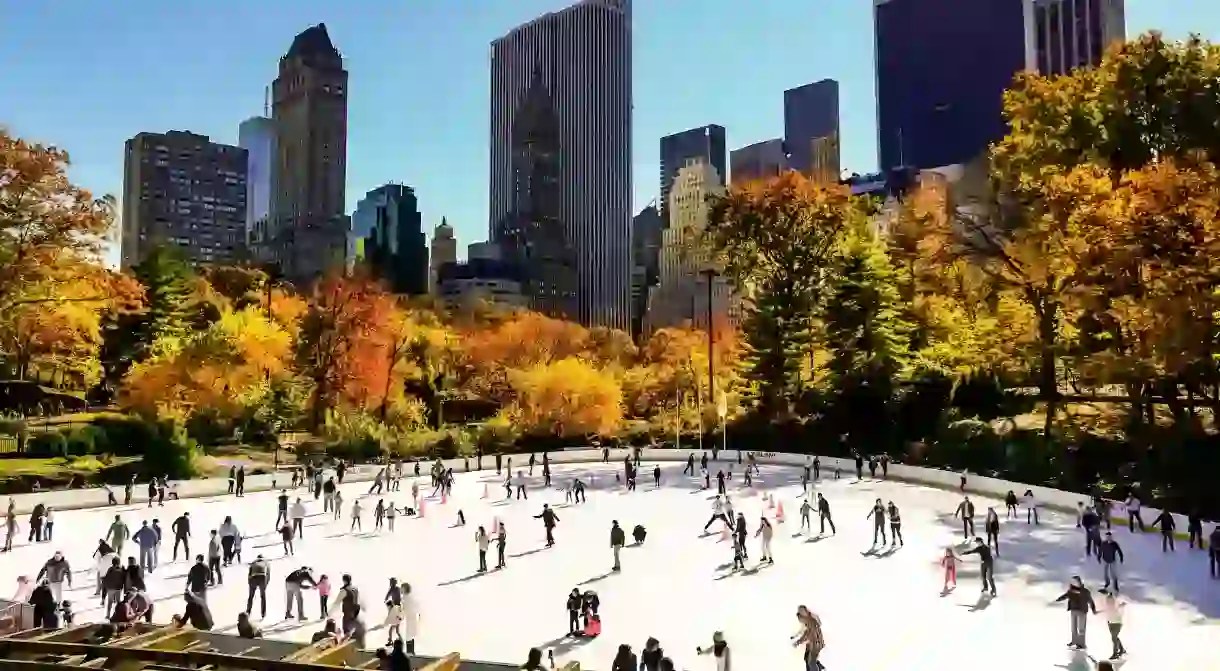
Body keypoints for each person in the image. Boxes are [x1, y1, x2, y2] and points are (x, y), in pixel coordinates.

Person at [1054, 576, 1098, 650]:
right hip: (1073, 610)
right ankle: (1074, 641)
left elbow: (1090, 601)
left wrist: (1094, 610)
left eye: (1075, 582)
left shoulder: (1085, 591)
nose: (1074, 583)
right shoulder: (1071, 591)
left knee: (1081, 628)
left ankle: (1082, 644)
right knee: (1073, 627)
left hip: (1082, 611)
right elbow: (1065, 596)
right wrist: (1058, 599)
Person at [793, 605, 825, 671]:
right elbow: (806, 632)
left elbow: (808, 634)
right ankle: (819, 667)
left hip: (816, 644)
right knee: (807, 658)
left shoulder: (811, 622)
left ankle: (818, 668)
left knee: (811, 662)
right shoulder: (808, 621)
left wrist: (798, 642)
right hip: (813, 643)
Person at [1098, 589, 1127, 660]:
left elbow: (1115, 608)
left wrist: (1121, 605)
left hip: (1117, 622)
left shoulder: (1113, 602)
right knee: (1115, 637)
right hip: (1111, 621)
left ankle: (1115, 654)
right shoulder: (1109, 603)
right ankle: (1122, 649)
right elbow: (1107, 610)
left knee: (1114, 637)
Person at [247, 554, 271, 619]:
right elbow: (268, 576)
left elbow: (249, 574)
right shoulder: (266, 563)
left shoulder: (253, 563)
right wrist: (265, 585)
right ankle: (263, 613)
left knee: (251, 597)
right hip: (262, 577)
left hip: (253, 577)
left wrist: (250, 584)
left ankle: (248, 612)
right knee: (263, 596)